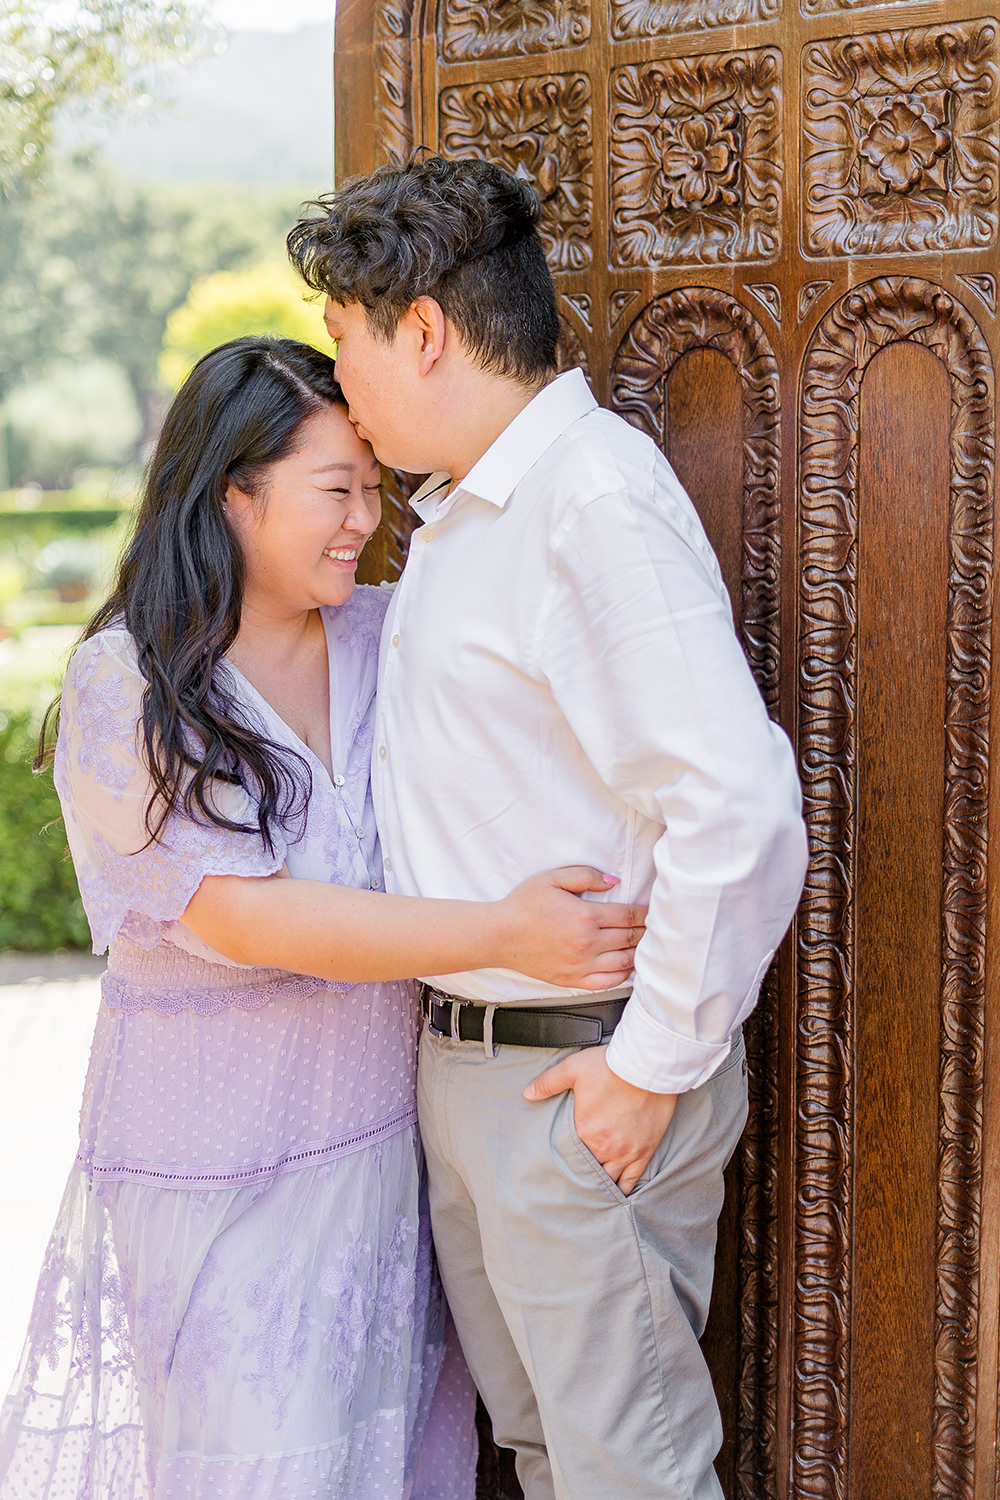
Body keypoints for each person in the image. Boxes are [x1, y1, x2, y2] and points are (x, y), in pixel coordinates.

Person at [0, 337, 645, 1500]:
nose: (364, 518)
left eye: (373, 485)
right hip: (215, 1170)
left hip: (377, 1151)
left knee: (382, 1460)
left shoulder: (388, 633)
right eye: (334, 488)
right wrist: (500, 931)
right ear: (232, 492)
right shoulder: (127, 684)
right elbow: (249, 920)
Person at [287, 155, 810, 1500]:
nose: (338, 381)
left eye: (345, 343)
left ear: (423, 331)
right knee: (544, 1457)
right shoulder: (470, 512)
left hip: (576, 1080)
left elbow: (736, 804)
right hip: (478, 1073)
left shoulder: (591, 497)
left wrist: (651, 1065)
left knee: (623, 1473)